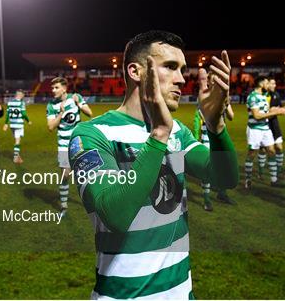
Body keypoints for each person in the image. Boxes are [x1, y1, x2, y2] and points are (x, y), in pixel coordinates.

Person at [69, 30, 238, 299]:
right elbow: (113, 215)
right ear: (136, 71)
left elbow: (224, 178)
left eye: (183, 69)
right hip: (125, 294)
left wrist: (216, 126)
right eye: (170, 67)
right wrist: (158, 134)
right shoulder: (93, 134)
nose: (182, 79)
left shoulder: (179, 132)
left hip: (181, 292)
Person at [46, 77, 92, 218]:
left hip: (78, 142)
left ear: (64, 88)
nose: (53, 90)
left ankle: (93, 202)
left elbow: (89, 113)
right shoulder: (51, 105)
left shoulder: (76, 97)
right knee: (65, 175)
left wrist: (79, 104)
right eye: (52, 88)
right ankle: (64, 205)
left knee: (87, 173)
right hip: (63, 144)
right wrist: (60, 112)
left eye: (56, 87)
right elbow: (50, 127)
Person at [193, 92, 236, 210]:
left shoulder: (223, 99)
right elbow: (199, 117)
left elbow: (231, 117)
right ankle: (206, 199)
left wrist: (226, 104)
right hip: (207, 138)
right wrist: (197, 140)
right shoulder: (204, 99)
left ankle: (222, 193)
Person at [244, 76, 285, 188]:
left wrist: (275, 110)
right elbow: (257, 115)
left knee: (271, 151)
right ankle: (248, 179)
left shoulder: (263, 96)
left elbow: (264, 111)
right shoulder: (252, 97)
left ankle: (274, 180)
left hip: (265, 128)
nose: (269, 85)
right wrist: (274, 113)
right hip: (255, 129)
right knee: (252, 154)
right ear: (262, 83)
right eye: (267, 83)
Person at [257, 78, 285, 179]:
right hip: (263, 125)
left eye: (275, 83)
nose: (274, 85)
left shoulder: (276, 95)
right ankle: (260, 171)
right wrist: (271, 110)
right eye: (272, 83)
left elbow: (282, 108)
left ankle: (279, 170)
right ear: (266, 84)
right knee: (263, 150)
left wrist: (278, 110)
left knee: (279, 148)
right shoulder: (260, 95)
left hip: (274, 124)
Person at [3, 90, 32, 164]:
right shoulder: (21, 103)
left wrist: (6, 123)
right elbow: (24, 114)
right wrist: (28, 121)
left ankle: (17, 156)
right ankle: (16, 157)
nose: (23, 96)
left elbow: (8, 114)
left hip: (12, 124)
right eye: (23, 95)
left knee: (16, 139)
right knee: (17, 141)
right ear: (20, 95)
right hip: (18, 124)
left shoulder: (10, 102)